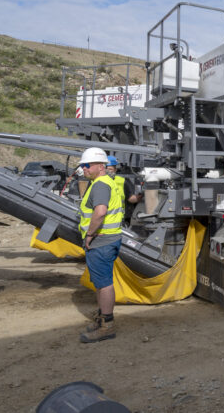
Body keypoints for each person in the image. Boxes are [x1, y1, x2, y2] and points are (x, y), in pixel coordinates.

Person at [78, 147, 124, 343]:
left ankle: (107, 325)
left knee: (104, 284)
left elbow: (100, 212)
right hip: (109, 238)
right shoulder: (107, 182)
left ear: (99, 166)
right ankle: (103, 318)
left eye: (86, 165)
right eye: (82, 166)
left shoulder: (99, 185)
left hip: (101, 240)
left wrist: (90, 234)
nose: (83, 169)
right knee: (101, 282)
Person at [106, 156, 142, 220]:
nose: (108, 172)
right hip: (108, 217)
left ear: (115, 169)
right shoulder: (122, 180)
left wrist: (143, 194)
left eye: (110, 169)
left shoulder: (122, 180)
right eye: (106, 169)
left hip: (118, 218)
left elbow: (131, 198)